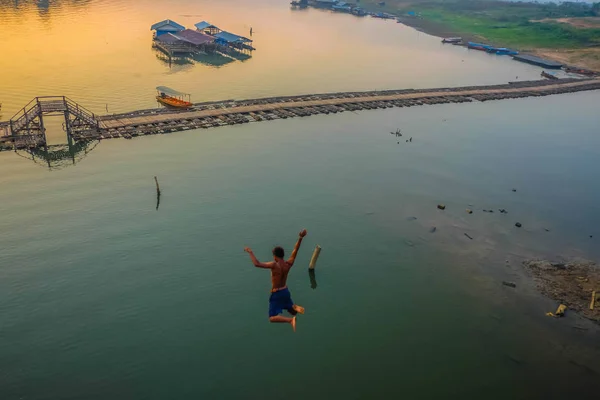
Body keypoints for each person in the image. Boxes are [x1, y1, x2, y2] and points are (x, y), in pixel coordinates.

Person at [244, 229, 307, 331]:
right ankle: (293, 307)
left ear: (275, 256)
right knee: (292, 310)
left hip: (277, 293)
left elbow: (257, 264)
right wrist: (300, 238)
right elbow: (295, 250)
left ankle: (290, 320)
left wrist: (250, 252)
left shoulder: (274, 265)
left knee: (272, 318)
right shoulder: (288, 264)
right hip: (285, 291)